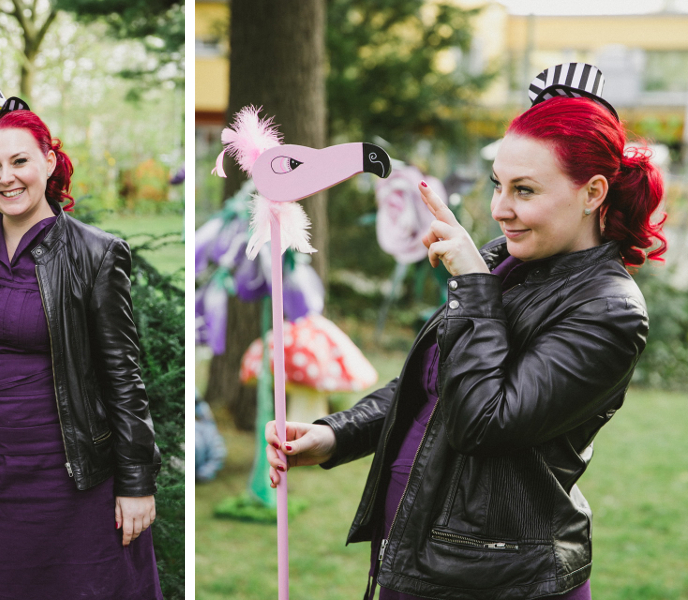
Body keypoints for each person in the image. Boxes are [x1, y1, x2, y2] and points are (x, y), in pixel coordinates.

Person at [265, 63, 666, 600]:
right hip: (418, 564)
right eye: (498, 185)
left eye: (524, 190)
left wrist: (476, 285)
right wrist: (339, 433)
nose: (500, 209)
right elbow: (434, 384)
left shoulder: (607, 309)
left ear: (592, 192)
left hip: (495, 584)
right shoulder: (505, 263)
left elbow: (484, 422)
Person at [0, 84, 163, 599]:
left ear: (48, 159)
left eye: (19, 161)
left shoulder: (97, 253)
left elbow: (123, 377)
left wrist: (137, 483)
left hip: (74, 475)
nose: (6, 178)